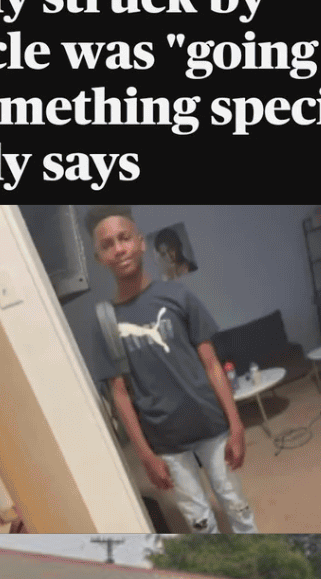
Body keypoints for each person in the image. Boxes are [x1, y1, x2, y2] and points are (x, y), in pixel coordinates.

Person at [85, 205, 257, 533]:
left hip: (211, 423)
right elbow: (119, 395)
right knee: (200, 523)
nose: (118, 249)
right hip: (165, 440)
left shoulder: (178, 295)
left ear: (140, 242)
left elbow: (212, 364)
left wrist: (236, 424)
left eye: (124, 238)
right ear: (100, 258)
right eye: (107, 245)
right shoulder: (105, 322)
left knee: (237, 506)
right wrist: (144, 455)